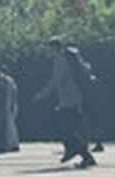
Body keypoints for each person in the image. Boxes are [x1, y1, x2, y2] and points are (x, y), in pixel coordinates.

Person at [33, 36, 96, 168]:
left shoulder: (60, 61)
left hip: (70, 99)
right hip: (73, 98)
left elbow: (56, 81)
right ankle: (80, 154)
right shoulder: (68, 59)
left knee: (64, 127)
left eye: (50, 48)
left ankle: (79, 153)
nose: (48, 51)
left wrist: (42, 95)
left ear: (55, 47)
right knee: (71, 127)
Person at [0, 64, 20, 153]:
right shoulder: (11, 80)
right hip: (11, 105)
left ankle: (11, 144)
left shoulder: (6, 80)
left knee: (9, 126)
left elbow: (9, 94)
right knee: (11, 126)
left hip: (8, 105)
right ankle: (13, 144)